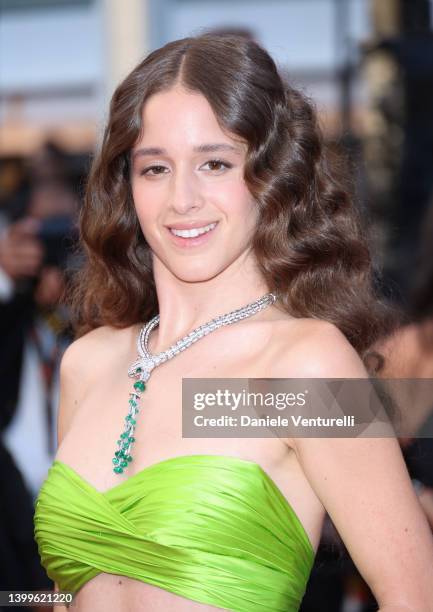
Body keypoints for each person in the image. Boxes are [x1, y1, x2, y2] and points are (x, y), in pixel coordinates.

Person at [33, 33, 433, 612]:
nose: (182, 198)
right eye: (155, 169)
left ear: (271, 178)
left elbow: (416, 594)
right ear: (126, 186)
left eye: (215, 163)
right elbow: (60, 595)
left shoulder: (303, 365)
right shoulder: (88, 363)